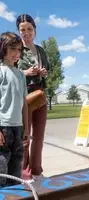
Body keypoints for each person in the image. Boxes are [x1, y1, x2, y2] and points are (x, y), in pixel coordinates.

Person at [16, 14, 49, 182]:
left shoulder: (41, 50)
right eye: (23, 29)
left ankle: (37, 170)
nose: (26, 33)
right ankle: (25, 173)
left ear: (35, 30)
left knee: (39, 136)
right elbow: (7, 72)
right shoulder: (15, 49)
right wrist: (26, 73)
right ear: (18, 31)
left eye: (29, 29)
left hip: (40, 94)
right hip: (24, 94)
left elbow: (48, 69)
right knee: (25, 137)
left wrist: (44, 73)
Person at [0, 32, 28, 186]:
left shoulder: (21, 75)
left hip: (18, 127)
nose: (17, 53)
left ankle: (14, 193)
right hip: (3, 128)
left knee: (16, 166)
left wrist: (26, 128)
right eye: (13, 49)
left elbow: (25, 103)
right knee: (1, 166)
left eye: (19, 50)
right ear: (3, 49)